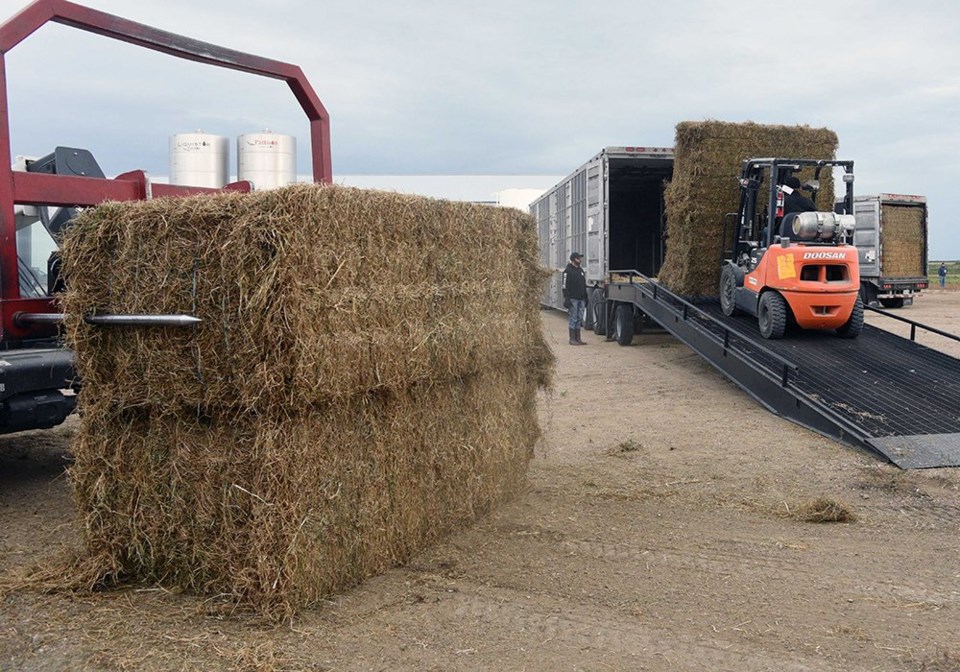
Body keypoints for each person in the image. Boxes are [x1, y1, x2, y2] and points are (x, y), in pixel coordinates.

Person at [778, 175, 818, 239]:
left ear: (786, 188)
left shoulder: (783, 202)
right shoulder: (807, 202)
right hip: (806, 236)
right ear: (799, 187)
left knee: (766, 231)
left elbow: (778, 221)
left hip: (786, 236)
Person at [562, 252, 588, 345]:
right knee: (573, 317)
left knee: (579, 317)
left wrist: (586, 297)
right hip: (573, 298)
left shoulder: (580, 270)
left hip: (581, 298)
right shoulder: (567, 271)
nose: (580, 260)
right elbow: (564, 286)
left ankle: (578, 338)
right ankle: (572, 338)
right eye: (578, 258)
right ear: (573, 259)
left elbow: (583, 285)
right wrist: (567, 298)